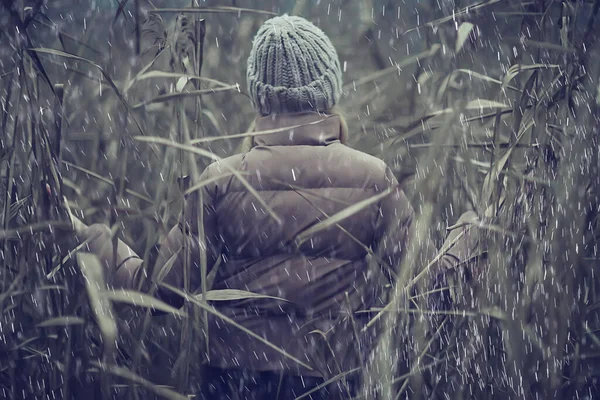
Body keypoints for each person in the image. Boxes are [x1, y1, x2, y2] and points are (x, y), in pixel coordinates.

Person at [74, 14, 478, 400]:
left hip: (235, 383)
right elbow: (428, 286)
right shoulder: (373, 178)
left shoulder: (221, 179)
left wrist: (90, 238)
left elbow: (158, 293)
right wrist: (471, 234)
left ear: (259, 94)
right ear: (329, 88)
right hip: (328, 381)